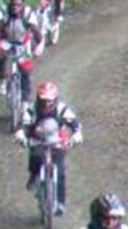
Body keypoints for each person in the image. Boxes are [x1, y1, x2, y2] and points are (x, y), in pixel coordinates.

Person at [15, 81, 82, 214]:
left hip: (58, 142)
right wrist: (21, 134)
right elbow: (23, 124)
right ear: (39, 99)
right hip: (37, 140)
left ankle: (60, 203)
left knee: (61, 172)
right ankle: (34, 176)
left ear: (55, 99)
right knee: (35, 156)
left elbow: (75, 124)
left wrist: (76, 135)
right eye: (44, 100)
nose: (47, 103)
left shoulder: (62, 109)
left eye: (50, 100)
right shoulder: (32, 109)